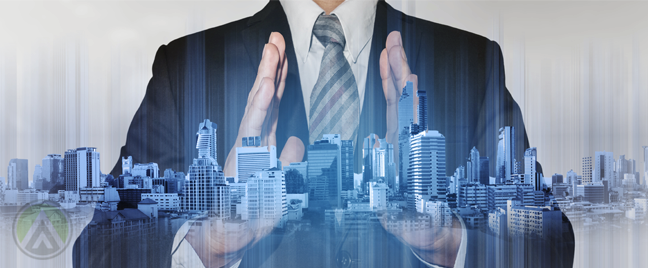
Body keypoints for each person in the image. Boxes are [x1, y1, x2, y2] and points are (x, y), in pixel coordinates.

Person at [74, 0, 575, 267]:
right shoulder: (186, 68)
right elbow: (98, 252)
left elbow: (551, 245)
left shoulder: (470, 62)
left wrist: (450, 241)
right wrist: (204, 245)